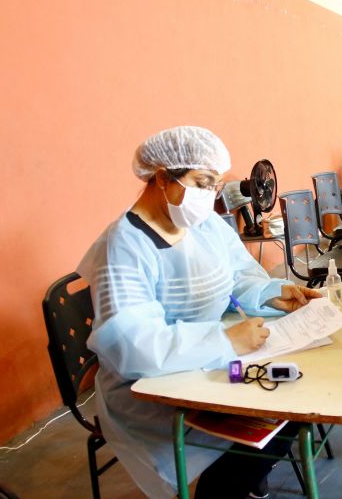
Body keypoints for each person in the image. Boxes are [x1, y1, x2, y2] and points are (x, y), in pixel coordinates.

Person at [77, 126, 321, 499]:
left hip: (208, 362)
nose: (210, 195)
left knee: (291, 410)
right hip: (150, 389)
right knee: (269, 420)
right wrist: (223, 340)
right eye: (202, 182)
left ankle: (239, 481)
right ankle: (221, 487)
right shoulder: (124, 245)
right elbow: (131, 346)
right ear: (162, 177)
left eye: (215, 184)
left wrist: (274, 292)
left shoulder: (202, 224)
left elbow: (237, 274)